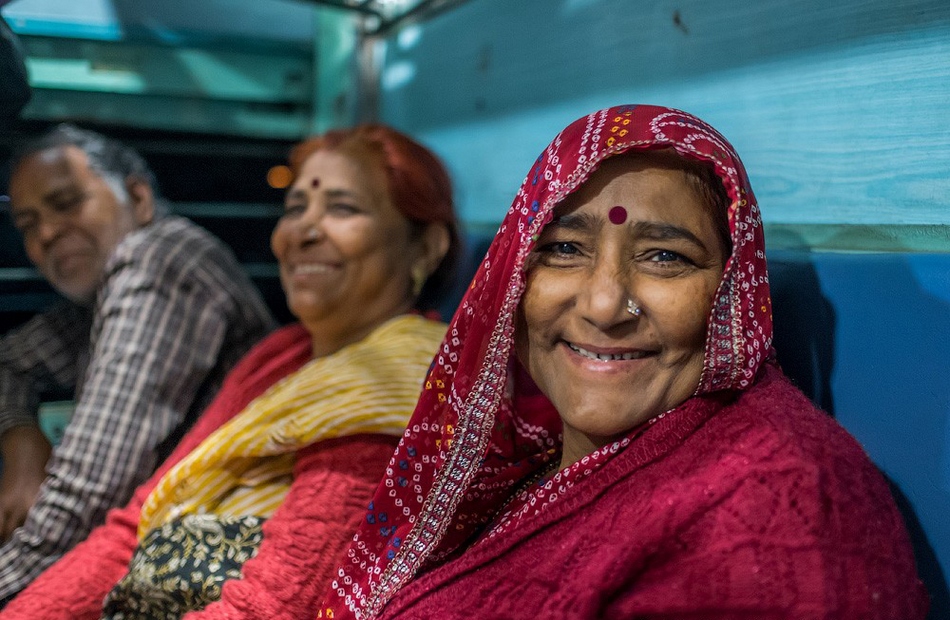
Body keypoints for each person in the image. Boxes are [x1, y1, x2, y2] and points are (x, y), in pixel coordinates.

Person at [320, 105, 929, 619]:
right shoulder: (518, 460)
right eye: (563, 249)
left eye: (665, 256)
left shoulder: (777, 509)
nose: (605, 303)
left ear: (733, 294)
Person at [0, 123, 460, 619]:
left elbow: (277, 604)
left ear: (426, 247)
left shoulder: (400, 382)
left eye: (342, 208)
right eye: (295, 209)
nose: (302, 232)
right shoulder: (282, 356)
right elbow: (134, 522)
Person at [0, 124, 276, 602]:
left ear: (139, 198)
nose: (45, 233)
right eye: (27, 223)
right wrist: (21, 443)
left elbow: (89, 489)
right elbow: (8, 363)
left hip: (226, 549)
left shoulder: (160, 261)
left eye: (66, 203)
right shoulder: (97, 299)